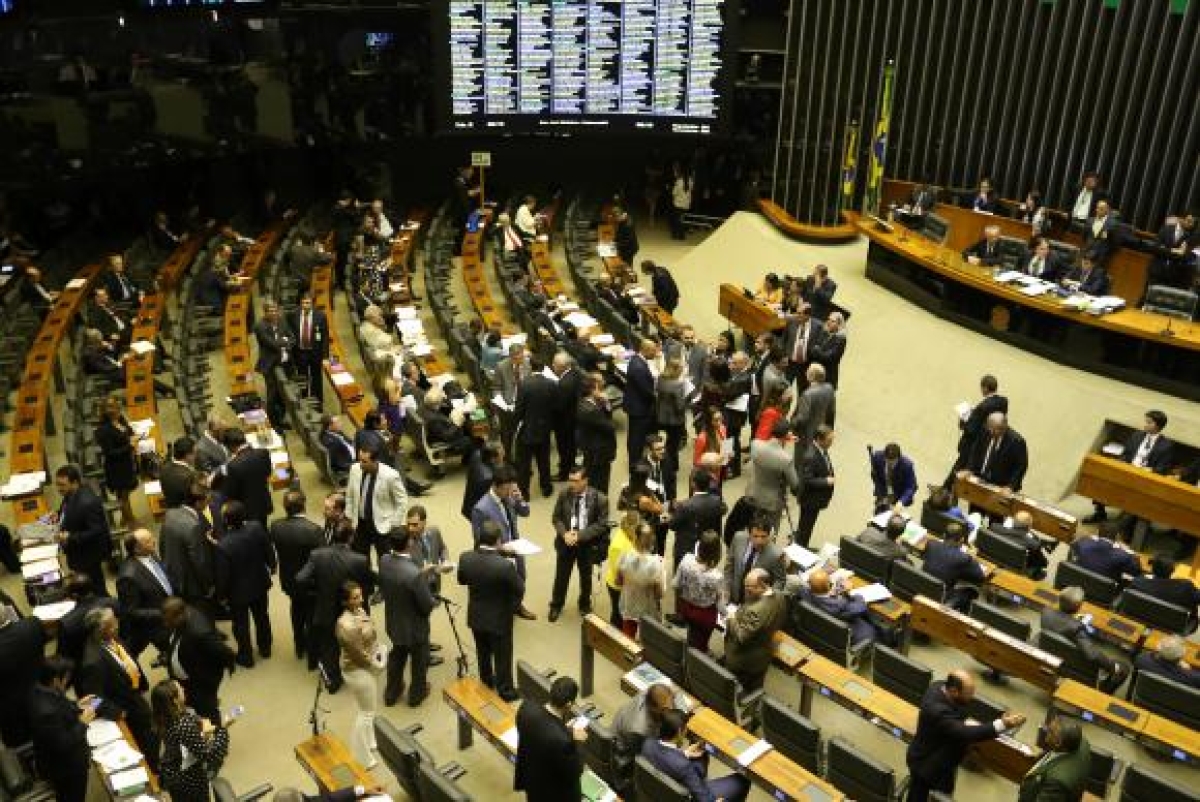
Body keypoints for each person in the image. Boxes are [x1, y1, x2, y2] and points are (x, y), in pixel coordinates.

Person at [906, 669, 1026, 802]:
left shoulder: (939, 686)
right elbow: (965, 733)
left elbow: (956, 714)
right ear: (954, 691)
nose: (972, 697)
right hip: (927, 766)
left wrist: (965, 721)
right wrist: (1003, 724)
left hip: (942, 760)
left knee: (943, 794)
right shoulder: (937, 711)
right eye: (969, 693)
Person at [296, 521, 375, 692]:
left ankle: (332, 682)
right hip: (351, 613)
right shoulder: (359, 560)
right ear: (351, 537)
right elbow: (369, 582)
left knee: (328, 647)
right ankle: (357, 675)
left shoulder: (317, 555)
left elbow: (301, 579)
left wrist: (315, 592)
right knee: (354, 644)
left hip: (325, 610)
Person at [77, 607, 159, 770]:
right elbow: (94, 698)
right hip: (125, 709)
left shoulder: (112, 638)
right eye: (113, 623)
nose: (118, 625)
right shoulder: (92, 662)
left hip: (134, 695)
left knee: (152, 734)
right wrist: (118, 713)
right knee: (146, 741)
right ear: (101, 630)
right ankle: (154, 772)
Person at [458, 520, 525, 701]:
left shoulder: (465, 558)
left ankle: (486, 680)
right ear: (498, 541)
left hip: (476, 617)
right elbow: (520, 588)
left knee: (483, 651)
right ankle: (506, 691)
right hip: (499, 620)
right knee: (502, 656)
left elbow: (462, 580)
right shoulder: (505, 566)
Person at [470, 465, 536, 619]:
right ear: (495, 486)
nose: (509, 493)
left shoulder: (510, 496)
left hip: (516, 548)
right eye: (506, 490)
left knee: (520, 579)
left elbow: (525, 513)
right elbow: (479, 540)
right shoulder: (481, 508)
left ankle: (517, 606)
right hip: (498, 555)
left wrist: (520, 499)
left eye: (510, 489)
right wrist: (500, 549)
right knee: (501, 587)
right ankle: (503, 613)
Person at [215, 501, 276, 667]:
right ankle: (265, 649)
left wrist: (221, 597)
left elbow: (223, 576)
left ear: (226, 520)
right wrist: (273, 565)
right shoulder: (256, 527)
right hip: (259, 583)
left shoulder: (223, 545)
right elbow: (268, 549)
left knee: (241, 625)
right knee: (262, 617)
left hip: (237, 593)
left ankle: (246, 656)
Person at [379, 531, 436, 708]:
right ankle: (416, 695)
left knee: (397, 655)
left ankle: (392, 692)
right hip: (415, 626)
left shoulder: (384, 560)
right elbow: (426, 604)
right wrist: (424, 577)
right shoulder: (414, 573)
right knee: (419, 661)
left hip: (394, 621)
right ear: (409, 543)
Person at [643, 709, 751, 802]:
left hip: (660, 788)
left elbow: (665, 758)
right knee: (743, 780)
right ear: (680, 731)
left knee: (701, 754)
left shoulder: (647, 743)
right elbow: (704, 798)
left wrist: (685, 753)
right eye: (686, 729)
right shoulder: (682, 765)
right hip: (690, 795)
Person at [151, 678, 231, 802]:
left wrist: (199, 735)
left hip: (173, 775)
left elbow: (182, 743)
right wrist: (223, 730)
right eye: (180, 689)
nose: (183, 689)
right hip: (188, 780)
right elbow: (209, 755)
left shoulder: (164, 717)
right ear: (175, 700)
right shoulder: (183, 725)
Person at [1087, 410, 1173, 524]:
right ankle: (1100, 513)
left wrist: (1149, 470)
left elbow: (1163, 469)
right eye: (1146, 421)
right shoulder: (1137, 435)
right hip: (1127, 472)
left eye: (1149, 422)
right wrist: (1122, 463)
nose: (1145, 424)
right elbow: (1125, 454)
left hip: (1145, 480)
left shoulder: (1166, 445)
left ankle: (1127, 522)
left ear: (1158, 426)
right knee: (1103, 479)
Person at [549, 467, 609, 622]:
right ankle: (556, 604)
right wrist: (565, 534)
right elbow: (556, 518)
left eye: (575, 481)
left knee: (586, 577)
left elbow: (602, 524)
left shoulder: (600, 499)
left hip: (587, 545)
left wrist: (580, 535)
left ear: (585, 481)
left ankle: (584, 604)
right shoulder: (564, 494)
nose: (572, 484)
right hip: (566, 544)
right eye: (570, 480)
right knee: (561, 577)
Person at [1041, 587, 1129, 693]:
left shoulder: (1046, 611)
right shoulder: (1077, 628)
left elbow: (1061, 622)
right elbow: (1092, 655)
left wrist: (1073, 620)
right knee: (1124, 668)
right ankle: (1103, 692)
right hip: (1073, 665)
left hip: (1050, 653)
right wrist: (1113, 667)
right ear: (1079, 607)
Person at [162, 598, 236, 725]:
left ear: (180, 615)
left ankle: (216, 734)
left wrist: (219, 671)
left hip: (201, 681)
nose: (165, 623)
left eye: (168, 620)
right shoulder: (180, 620)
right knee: (195, 706)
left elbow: (224, 652)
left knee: (208, 709)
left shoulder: (200, 633)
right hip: (188, 678)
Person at [29, 657, 94, 802]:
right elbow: (63, 744)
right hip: (66, 770)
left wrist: (77, 705)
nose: (68, 681)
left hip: (61, 756)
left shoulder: (41, 689)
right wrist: (83, 723)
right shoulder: (46, 712)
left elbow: (60, 703)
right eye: (66, 678)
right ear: (55, 680)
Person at [514, 676, 587, 801]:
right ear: (569, 704)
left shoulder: (526, 708)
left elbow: (540, 731)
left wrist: (563, 729)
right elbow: (574, 772)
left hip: (532, 781)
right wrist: (577, 742)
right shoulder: (563, 742)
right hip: (553, 794)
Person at [269, 490, 323, 660]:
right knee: (311, 616)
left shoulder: (276, 527)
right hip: (310, 583)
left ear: (285, 507)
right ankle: (313, 655)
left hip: (289, 580)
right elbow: (321, 559)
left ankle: (299, 646)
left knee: (296, 610)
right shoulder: (314, 530)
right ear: (304, 504)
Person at [336, 580, 382, 768]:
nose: (361, 600)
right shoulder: (345, 624)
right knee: (366, 713)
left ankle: (370, 742)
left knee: (368, 709)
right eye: (355, 598)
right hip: (357, 671)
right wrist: (376, 666)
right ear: (345, 601)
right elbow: (358, 655)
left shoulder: (359, 612)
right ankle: (361, 756)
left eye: (361, 595)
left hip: (364, 665)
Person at [724, 567, 787, 692]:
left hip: (744, 660)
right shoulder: (779, 596)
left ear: (763, 585)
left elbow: (742, 637)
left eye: (749, 587)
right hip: (762, 656)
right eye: (745, 585)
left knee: (735, 693)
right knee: (755, 689)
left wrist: (731, 619)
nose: (746, 590)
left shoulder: (756, 611)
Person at [54, 464, 113, 596]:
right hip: (77, 552)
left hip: (88, 555)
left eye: (62, 485)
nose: (58, 489)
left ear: (74, 483)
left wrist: (71, 537)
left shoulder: (88, 502)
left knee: (97, 588)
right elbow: (68, 510)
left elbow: (98, 530)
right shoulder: (70, 494)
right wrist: (58, 515)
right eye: (57, 484)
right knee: (88, 586)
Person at [346, 444, 408, 565]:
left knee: (385, 561)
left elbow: (402, 501)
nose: (360, 464)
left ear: (375, 461)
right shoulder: (355, 469)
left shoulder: (391, 475)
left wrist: (394, 524)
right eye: (359, 460)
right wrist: (349, 517)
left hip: (382, 527)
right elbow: (349, 495)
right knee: (361, 560)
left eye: (364, 461)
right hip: (360, 525)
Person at [116, 529, 173, 659]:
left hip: (171, 614)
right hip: (157, 626)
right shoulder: (128, 577)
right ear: (136, 549)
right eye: (148, 541)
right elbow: (131, 611)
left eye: (151, 537)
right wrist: (163, 613)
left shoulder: (150, 554)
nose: (154, 541)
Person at [161, 481, 215, 609]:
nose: (209, 503)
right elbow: (199, 562)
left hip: (173, 577)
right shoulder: (194, 526)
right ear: (197, 503)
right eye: (207, 500)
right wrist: (208, 587)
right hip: (192, 586)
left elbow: (162, 545)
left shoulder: (170, 513)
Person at [513, 355, 559, 498]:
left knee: (524, 464)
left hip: (527, 430)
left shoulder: (524, 384)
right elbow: (555, 407)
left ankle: (524, 492)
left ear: (531, 367)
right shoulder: (551, 384)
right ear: (544, 368)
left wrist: (516, 421)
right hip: (544, 429)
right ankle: (546, 488)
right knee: (544, 461)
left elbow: (519, 410)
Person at [1017, 716, 1091, 802]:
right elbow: (1055, 749)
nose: (1046, 731)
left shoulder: (1057, 782)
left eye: (1050, 732)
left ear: (1058, 743)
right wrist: (1040, 755)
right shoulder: (1081, 742)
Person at [673, 530, 725, 652]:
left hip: (687, 607)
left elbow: (675, 584)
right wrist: (727, 614)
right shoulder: (716, 576)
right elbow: (720, 604)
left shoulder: (686, 560)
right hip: (705, 614)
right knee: (701, 643)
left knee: (691, 633)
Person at [801, 569, 882, 646]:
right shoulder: (840, 605)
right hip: (848, 634)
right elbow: (861, 607)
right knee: (874, 627)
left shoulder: (804, 592)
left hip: (820, 626)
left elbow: (820, 594)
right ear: (829, 585)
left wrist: (832, 592)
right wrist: (850, 592)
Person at [745, 420, 799, 532]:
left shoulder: (755, 444)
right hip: (772, 501)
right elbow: (795, 484)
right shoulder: (786, 459)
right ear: (787, 435)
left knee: (753, 527)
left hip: (753, 493)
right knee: (770, 530)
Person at [95, 395, 140, 525]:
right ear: (104, 411)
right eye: (110, 406)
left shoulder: (120, 419)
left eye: (115, 405)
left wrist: (134, 436)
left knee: (126, 495)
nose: (115, 408)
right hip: (116, 468)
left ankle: (125, 520)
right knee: (123, 497)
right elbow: (110, 453)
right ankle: (132, 524)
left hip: (127, 463)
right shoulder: (103, 430)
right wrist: (129, 446)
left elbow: (128, 430)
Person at [668, 469, 726, 570]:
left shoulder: (685, 506)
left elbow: (672, 525)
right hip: (708, 545)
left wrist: (674, 513)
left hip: (687, 547)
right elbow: (721, 512)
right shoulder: (717, 501)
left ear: (693, 484)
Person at [922, 523, 987, 612]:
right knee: (972, 591)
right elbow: (981, 578)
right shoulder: (964, 558)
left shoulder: (931, 544)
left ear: (944, 535)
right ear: (961, 540)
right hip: (940, 597)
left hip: (922, 587)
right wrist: (973, 558)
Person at [958, 412, 1028, 492]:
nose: (991, 432)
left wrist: (1011, 486)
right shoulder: (985, 431)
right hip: (979, 482)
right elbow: (975, 451)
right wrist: (969, 469)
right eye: (990, 428)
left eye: (995, 429)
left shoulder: (1017, 441)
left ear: (1004, 427)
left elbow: (1021, 466)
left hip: (1000, 488)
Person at [954, 374, 1008, 477]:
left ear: (985, 388)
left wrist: (963, 420)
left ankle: (946, 489)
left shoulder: (983, 406)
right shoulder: (1003, 402)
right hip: (989, 445)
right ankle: (945, 487)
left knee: (959, 467)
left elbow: (971, 429)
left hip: (973, 444)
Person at [618, 522, 665, 639]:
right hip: (647, 609)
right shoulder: (656, 563)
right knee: (648, 640)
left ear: (636, 537)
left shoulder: (624, 556)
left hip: (629, 604)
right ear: (652, 540)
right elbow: (659, 594)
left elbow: (618, 582)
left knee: (628, 637)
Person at [1129, 554, 1200, 629]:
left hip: (1139, 618)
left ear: (1152, 568)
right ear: (1173, 571)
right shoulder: (1185, 587)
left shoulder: (1138, 581)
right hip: (1172, 627)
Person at [222, 427, 275, 526]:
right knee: (264, 527)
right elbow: (268, 473)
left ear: (230, 446)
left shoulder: (233, 465)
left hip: (248, 511)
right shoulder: (263, 453)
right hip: (263, 502)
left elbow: (232, 493)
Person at [254, 299, 294, 427]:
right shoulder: (260, 326)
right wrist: (284, 341)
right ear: (265, 312)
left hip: (285, 363)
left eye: (275, 310)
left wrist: (285, 341)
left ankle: (281, 419)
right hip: (270, 365)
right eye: (270, 311)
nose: (274, 313)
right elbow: (272, 344)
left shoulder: (282, 321)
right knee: (272, 395)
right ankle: (273, 422)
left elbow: (293, 338)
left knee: (283, 394)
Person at [796, 425, 837, 548]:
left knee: (807, 528)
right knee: (805, 529)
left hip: (816, 499)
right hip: (810, 500)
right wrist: (826, 481)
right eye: (829, 440)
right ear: (819, 439)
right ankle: (800, 550)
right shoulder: (811, 455)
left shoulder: (821, 449)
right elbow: (807, 479)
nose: (831, 443)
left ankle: (802, 546)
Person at [577, 375, 618, 496]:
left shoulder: (585, 403)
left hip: (591, 447)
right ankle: (599, 505)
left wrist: (605, 403)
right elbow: (610, 426)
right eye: (597, 388)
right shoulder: (591, 410)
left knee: (594, 478)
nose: (600, 390)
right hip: (598, 451)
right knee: (600, 481)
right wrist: (607, 402)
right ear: (592, 390)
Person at [613, 682, 676, 757]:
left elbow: (671, 694)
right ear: (653, 708)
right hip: (623, 750)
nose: (670, 709)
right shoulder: (639, 730)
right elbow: (639, 758)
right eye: (665, 709)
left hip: (630, 732)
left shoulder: (649, 693)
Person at [624, 339, 659, 470]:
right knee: (636, 440)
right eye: (654, 350)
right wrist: (657, 395)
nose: (656, 352)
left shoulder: (636, 360)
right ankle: (634, 466)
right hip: (639, 408)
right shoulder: (639, 367)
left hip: (635, 405)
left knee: (634, 436)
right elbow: (647, 391)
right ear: (646, 350)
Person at [288, 294, 329, 404]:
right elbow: (290, 333)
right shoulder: (293, 315)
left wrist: (325, 357)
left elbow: (325, 337)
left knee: (316, 379)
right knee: (302, 378)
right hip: (300, 353)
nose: (305, 305)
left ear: (312, 304)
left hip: (315, 352)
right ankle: (304, 402)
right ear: (300, 303)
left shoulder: (320, 316)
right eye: (303, 303)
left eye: (308, 303)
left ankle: (318, 404)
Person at [988, 510, 1050, 578]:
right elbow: (1043, 563)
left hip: (991, 562)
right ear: (1029, 527)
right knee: (1041, 572)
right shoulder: (1032, 543)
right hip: (1013, 572)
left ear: (1013, 522)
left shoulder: (994, 528)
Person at [1069, 524, 1140, 583]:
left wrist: (1087, 538)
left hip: (1074, 583)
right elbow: (1135, 572)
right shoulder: (1124, 556)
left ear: (1097, 533)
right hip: (1102, 596)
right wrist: (1131, 553)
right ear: (1117, 537)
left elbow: (1072, 547)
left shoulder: (1082, 543)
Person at [791, 363, 836, 453]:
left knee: (801, 460)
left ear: (812, 376)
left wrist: (792, 423)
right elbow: (831, 412)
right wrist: (829, 430)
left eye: (808, 371)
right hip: (822, 433)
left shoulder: (807, 394)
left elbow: (802, 418)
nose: (806, 372)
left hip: (806, 436)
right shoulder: (829, 388)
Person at [1134, 635, 1200, 688]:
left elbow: (1150, 655)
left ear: (1159, 649)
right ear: (1180, 657)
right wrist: (1187, 670)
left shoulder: (1141, 660)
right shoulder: (1193, 678)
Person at [462, 443, 503, 520]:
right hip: (481, 512)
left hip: (469, 504)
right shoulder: (488, 479)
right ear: (493, 458)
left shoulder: (477, 454)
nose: (503, 457)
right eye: (501, 455)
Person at [871, 442, 918, 510]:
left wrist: (901, 502)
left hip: (899, 495)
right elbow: (875, 475)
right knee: (878, 515)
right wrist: (881, 493)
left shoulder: (907, 466)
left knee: (895, 517)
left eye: (893, 462)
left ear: (899, 458)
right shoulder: (877, 457)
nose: (890, 464)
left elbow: (911, 486)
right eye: (887, 461)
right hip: (883, 492)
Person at [161, 437, 198, 509]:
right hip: (185, 512)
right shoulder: (189, 477)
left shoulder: (164, 467)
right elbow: (196, 502)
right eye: (195, 453)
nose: (196, 456)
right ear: (187, 455)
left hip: (170, 506)